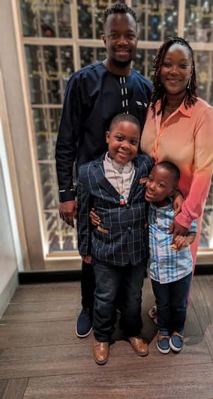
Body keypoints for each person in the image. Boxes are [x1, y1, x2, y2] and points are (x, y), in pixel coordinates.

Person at [55, 2, 152, 338]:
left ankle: (127, 313)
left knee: (127, 252)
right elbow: (66, 140)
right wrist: (67, 194)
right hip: (92, 187)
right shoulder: (83, 81)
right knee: (91, 252)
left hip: (130, 191)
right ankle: (89, 307)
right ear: (104, 38)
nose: (122, 41)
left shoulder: (144, 87)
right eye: (115, 35)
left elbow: (149, 144)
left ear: (138, 40)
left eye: (129, 35)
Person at [141, 37, 213, 317]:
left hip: (183, 212)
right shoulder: (153, 108)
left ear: (191, 70)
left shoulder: (204, 115)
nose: (174, 71)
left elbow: (204, 173)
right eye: (167, 64)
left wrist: (185, 217)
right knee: (160, 264)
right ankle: (163, 308)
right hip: (154, 207)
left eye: (182, 65)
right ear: (158, 69)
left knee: (181, 266)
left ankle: (176, 321)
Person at [77, 113, 153, 365]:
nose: (125, 145)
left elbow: (155, 196)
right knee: (105, 295)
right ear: (108, 137)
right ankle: (102, 336)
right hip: (104, 249)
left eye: (133, 141)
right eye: (119, 138)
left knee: (133, 295)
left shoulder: (145, 165)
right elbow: (83, 214)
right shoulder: (88, 172)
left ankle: (133, 331)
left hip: (136, 248)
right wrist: (85, 248)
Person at [145, 161, 197, 354]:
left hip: (181, 269)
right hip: (158, 272)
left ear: (172, 190)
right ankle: (163, 331)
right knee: (162, 303)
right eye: (151, 180)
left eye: (161, 184)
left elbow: (193, 231)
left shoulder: (179, 211)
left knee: (179, 304)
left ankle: (178, 330)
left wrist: (186, 240)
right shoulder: (146, 208)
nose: (152, 186)